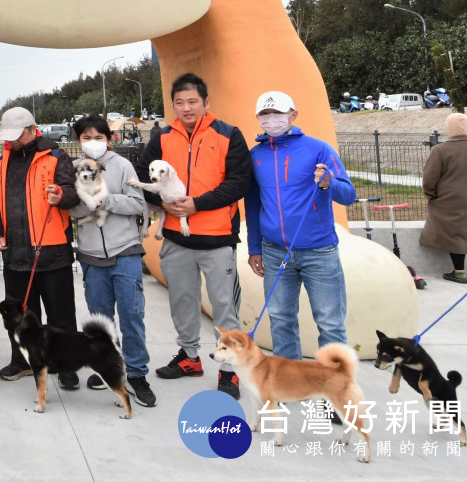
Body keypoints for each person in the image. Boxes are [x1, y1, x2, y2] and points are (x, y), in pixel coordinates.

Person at [136, 73, 250, 399]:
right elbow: (146, 176)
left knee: (224, 307)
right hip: (176, 239)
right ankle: (189, 357)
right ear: (173, 105)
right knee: (182, 303)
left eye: (193, 102)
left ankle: (230, 371)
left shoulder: (228, 135)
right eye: (179, 102)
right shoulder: (162, 137)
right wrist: (167, 205)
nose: (186, 108)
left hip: (217, 240)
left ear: (206, 102)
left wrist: (197, 204)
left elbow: (239, 182)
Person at [244, 91, 356, 359]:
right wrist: (254, 248)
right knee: (281, 319)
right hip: (274, 251)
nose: (272, 119)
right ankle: (289, 380)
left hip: (319, 251)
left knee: (329, 322)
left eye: (278, 113)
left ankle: (335, 384)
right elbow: (252, 204)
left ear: (293, 114)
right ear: (258, 118)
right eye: (265, 114)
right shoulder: (255, 155)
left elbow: (348, 195)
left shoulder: (318, 149)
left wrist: (329, 182)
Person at [0, 106, 81, 388]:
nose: (13, 141)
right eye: (9, 136)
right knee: (18, 315)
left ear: (32, 129)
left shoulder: (55, 156)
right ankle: (21, 360)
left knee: (60, 313)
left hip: (51, 250)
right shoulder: (2, 160)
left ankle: (66, 366)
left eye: (18, 135)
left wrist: (61, 194)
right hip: (14, 251)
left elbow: (73, 192)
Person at [68, 114, 156, 407]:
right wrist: (85, 204)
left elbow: (137, 203)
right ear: (78, 141)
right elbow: (70, 211)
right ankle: (107, 366)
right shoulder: (74, 168)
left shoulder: (122, 165)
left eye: (98, 137)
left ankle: (137, 373)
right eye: (86, 137)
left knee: (132, 315)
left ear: (109, 138)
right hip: (91, 254)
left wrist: (106, 199)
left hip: (125, 250)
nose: (93, 143)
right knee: (101, 320)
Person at [420, 112, 467, 282]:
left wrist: (432, 195)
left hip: (450, 202)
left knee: (455, 233)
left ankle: (459, 271)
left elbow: (429, 180)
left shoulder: (440, 150)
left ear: (449, 128)